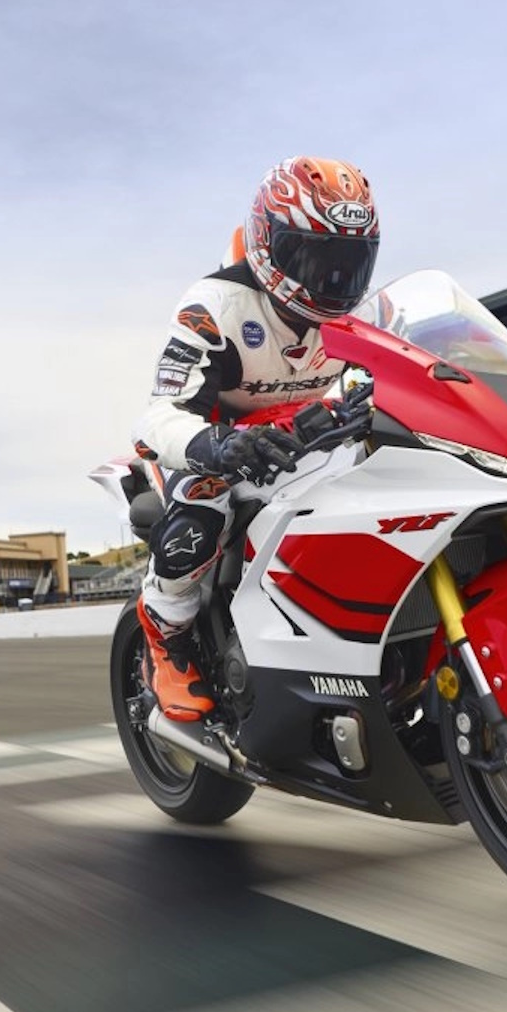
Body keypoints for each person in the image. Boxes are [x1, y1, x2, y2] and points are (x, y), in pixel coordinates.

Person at [131, 156, 380, 722]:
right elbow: (159, 415)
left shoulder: (366, 312)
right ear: (268, 242)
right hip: (215, 443)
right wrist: (219, 446)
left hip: (303, 434)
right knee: (200, 514)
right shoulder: (212, 306)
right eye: (314, 258)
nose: (332, 280)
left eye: (349, 262)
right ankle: (166, 636)